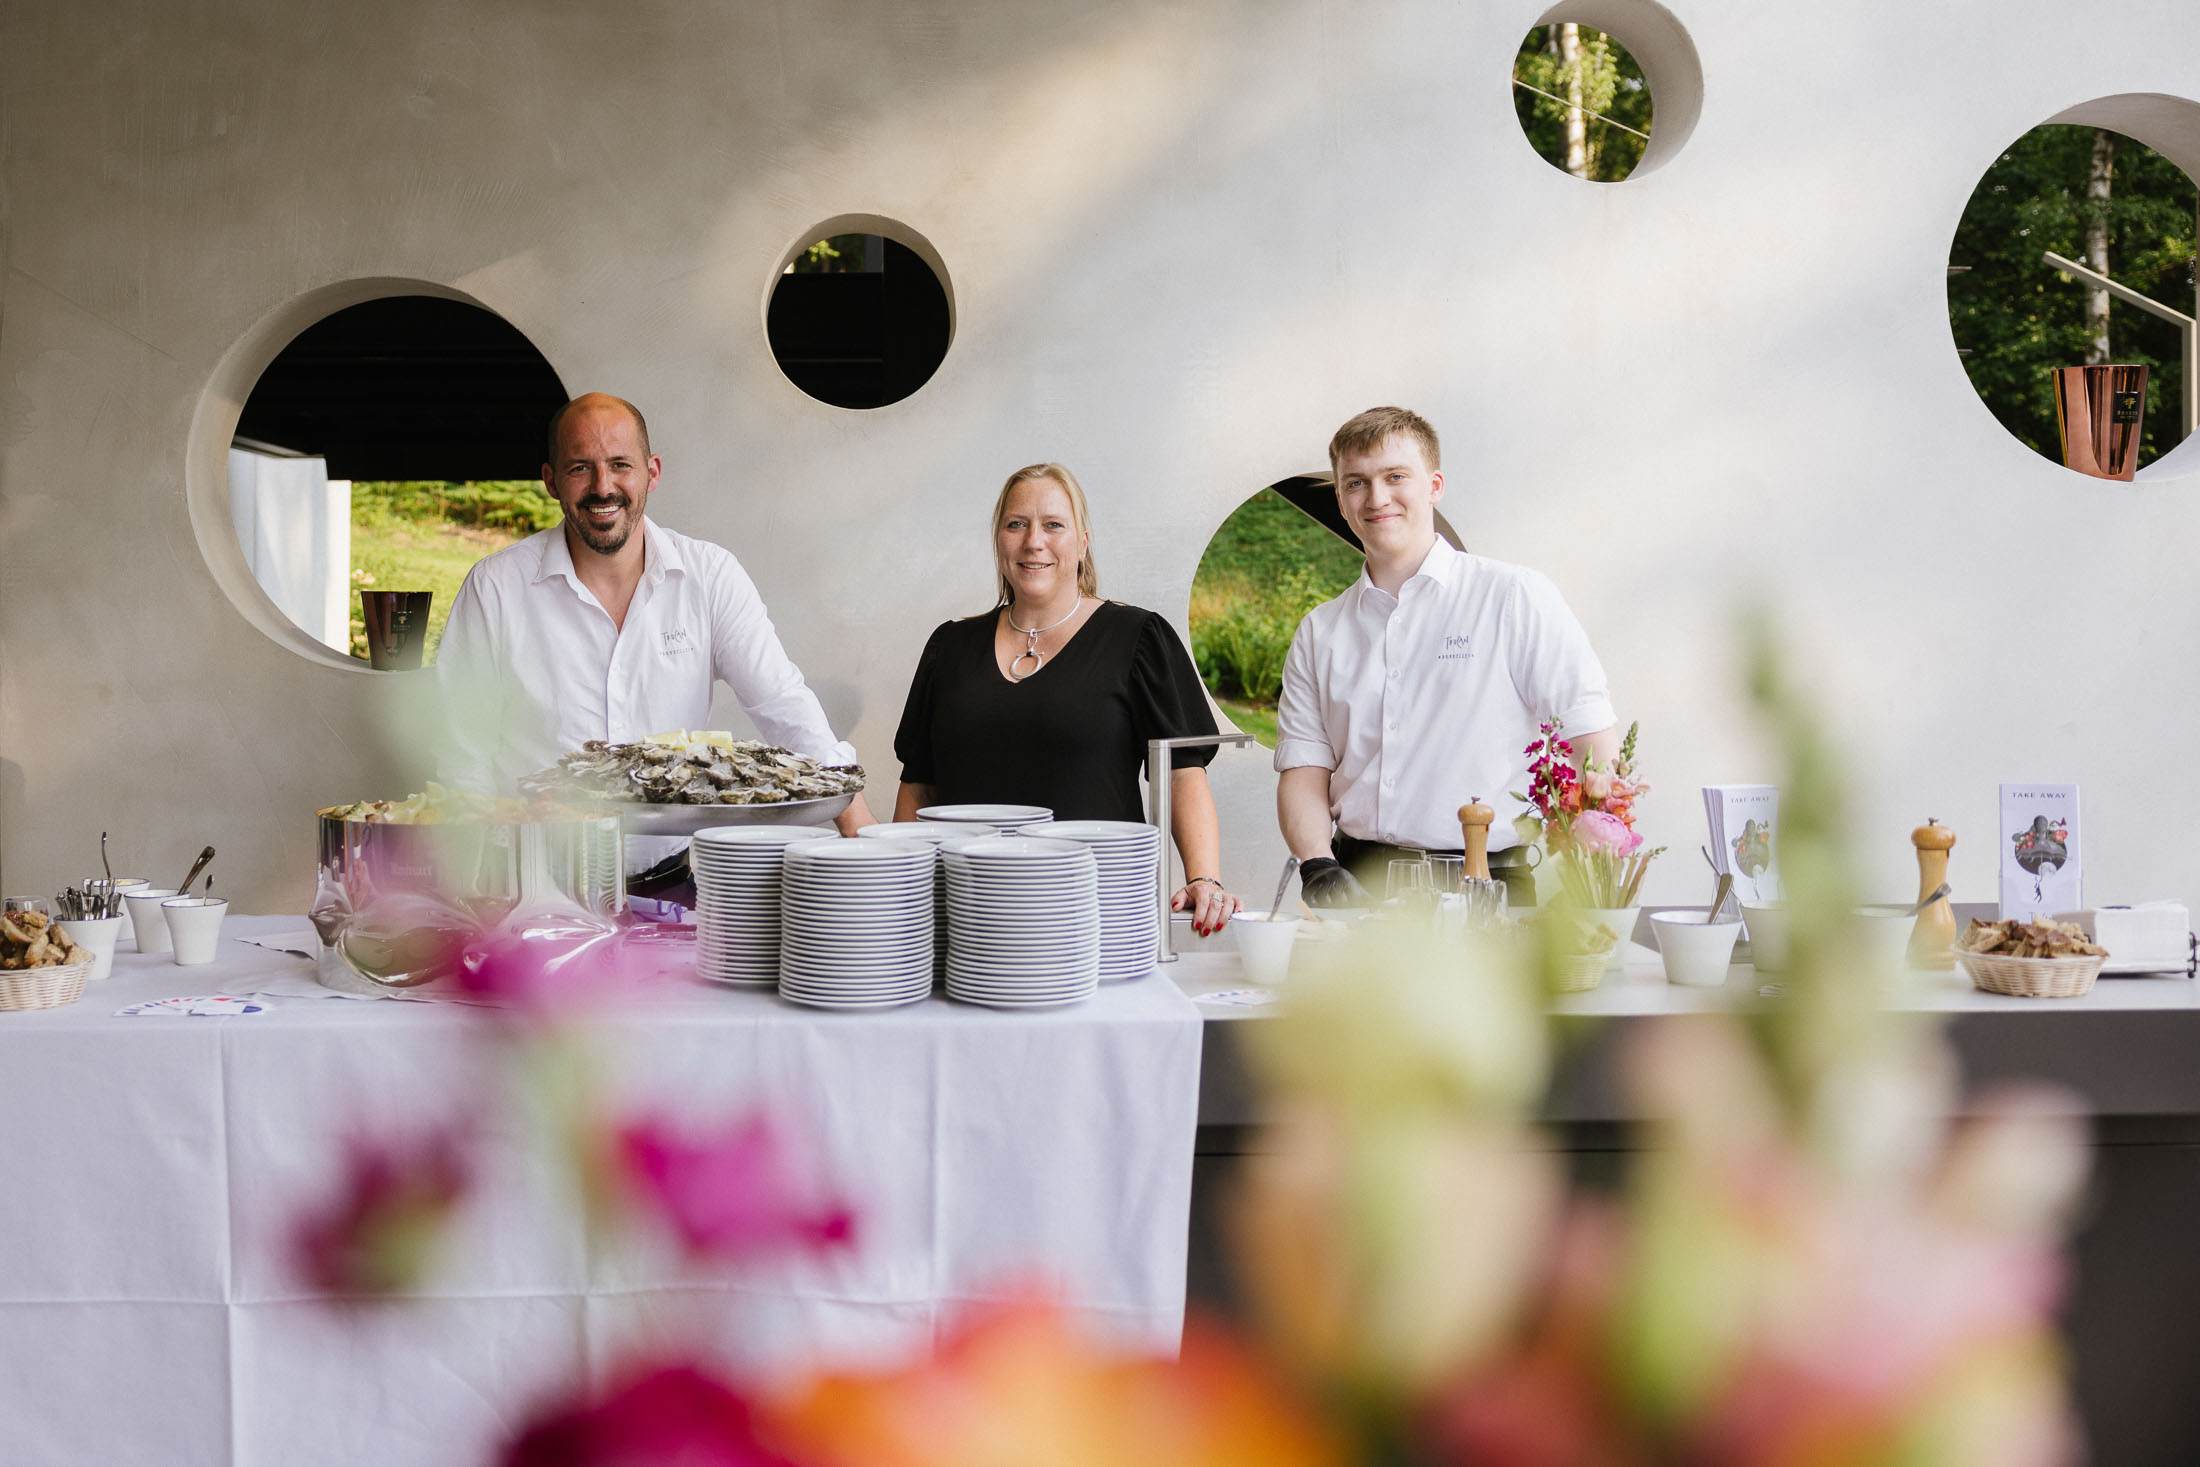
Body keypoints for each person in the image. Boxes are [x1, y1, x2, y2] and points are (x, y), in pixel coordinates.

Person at [437, 393, 878, 843]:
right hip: (536, 871)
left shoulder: (710, 575)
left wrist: (858, 828)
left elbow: (781, 701)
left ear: (652, 472)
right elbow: (460, 752)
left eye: (620, 465)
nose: (603, 486)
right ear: (551, 481)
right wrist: (480, 863)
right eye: (580, 468)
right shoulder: (495, 587)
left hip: (677, 873)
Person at [1273, 406, 1616, 907]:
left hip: (1487, 890)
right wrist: (1317, 865)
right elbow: (1303, 771)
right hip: (1358, 889)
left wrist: (1590, 883)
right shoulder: (1319, 632)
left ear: (1434, 485)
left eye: (1395, 477)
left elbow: (1590, 742)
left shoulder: (1513, 597)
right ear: (1342, 502)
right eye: (1356, 483)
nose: (1377, 498)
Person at [891, 463, 1242, 935]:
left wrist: (1203, 878)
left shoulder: (1138, 638)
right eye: (1016, 524)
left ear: (1083, 543)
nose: (1033, 541)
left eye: (1053, 524)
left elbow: (1181, 772)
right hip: (968, 913)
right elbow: (919, 786)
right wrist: (898, 892)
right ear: (998, 541)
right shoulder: (949, 647)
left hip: (1096, 914)